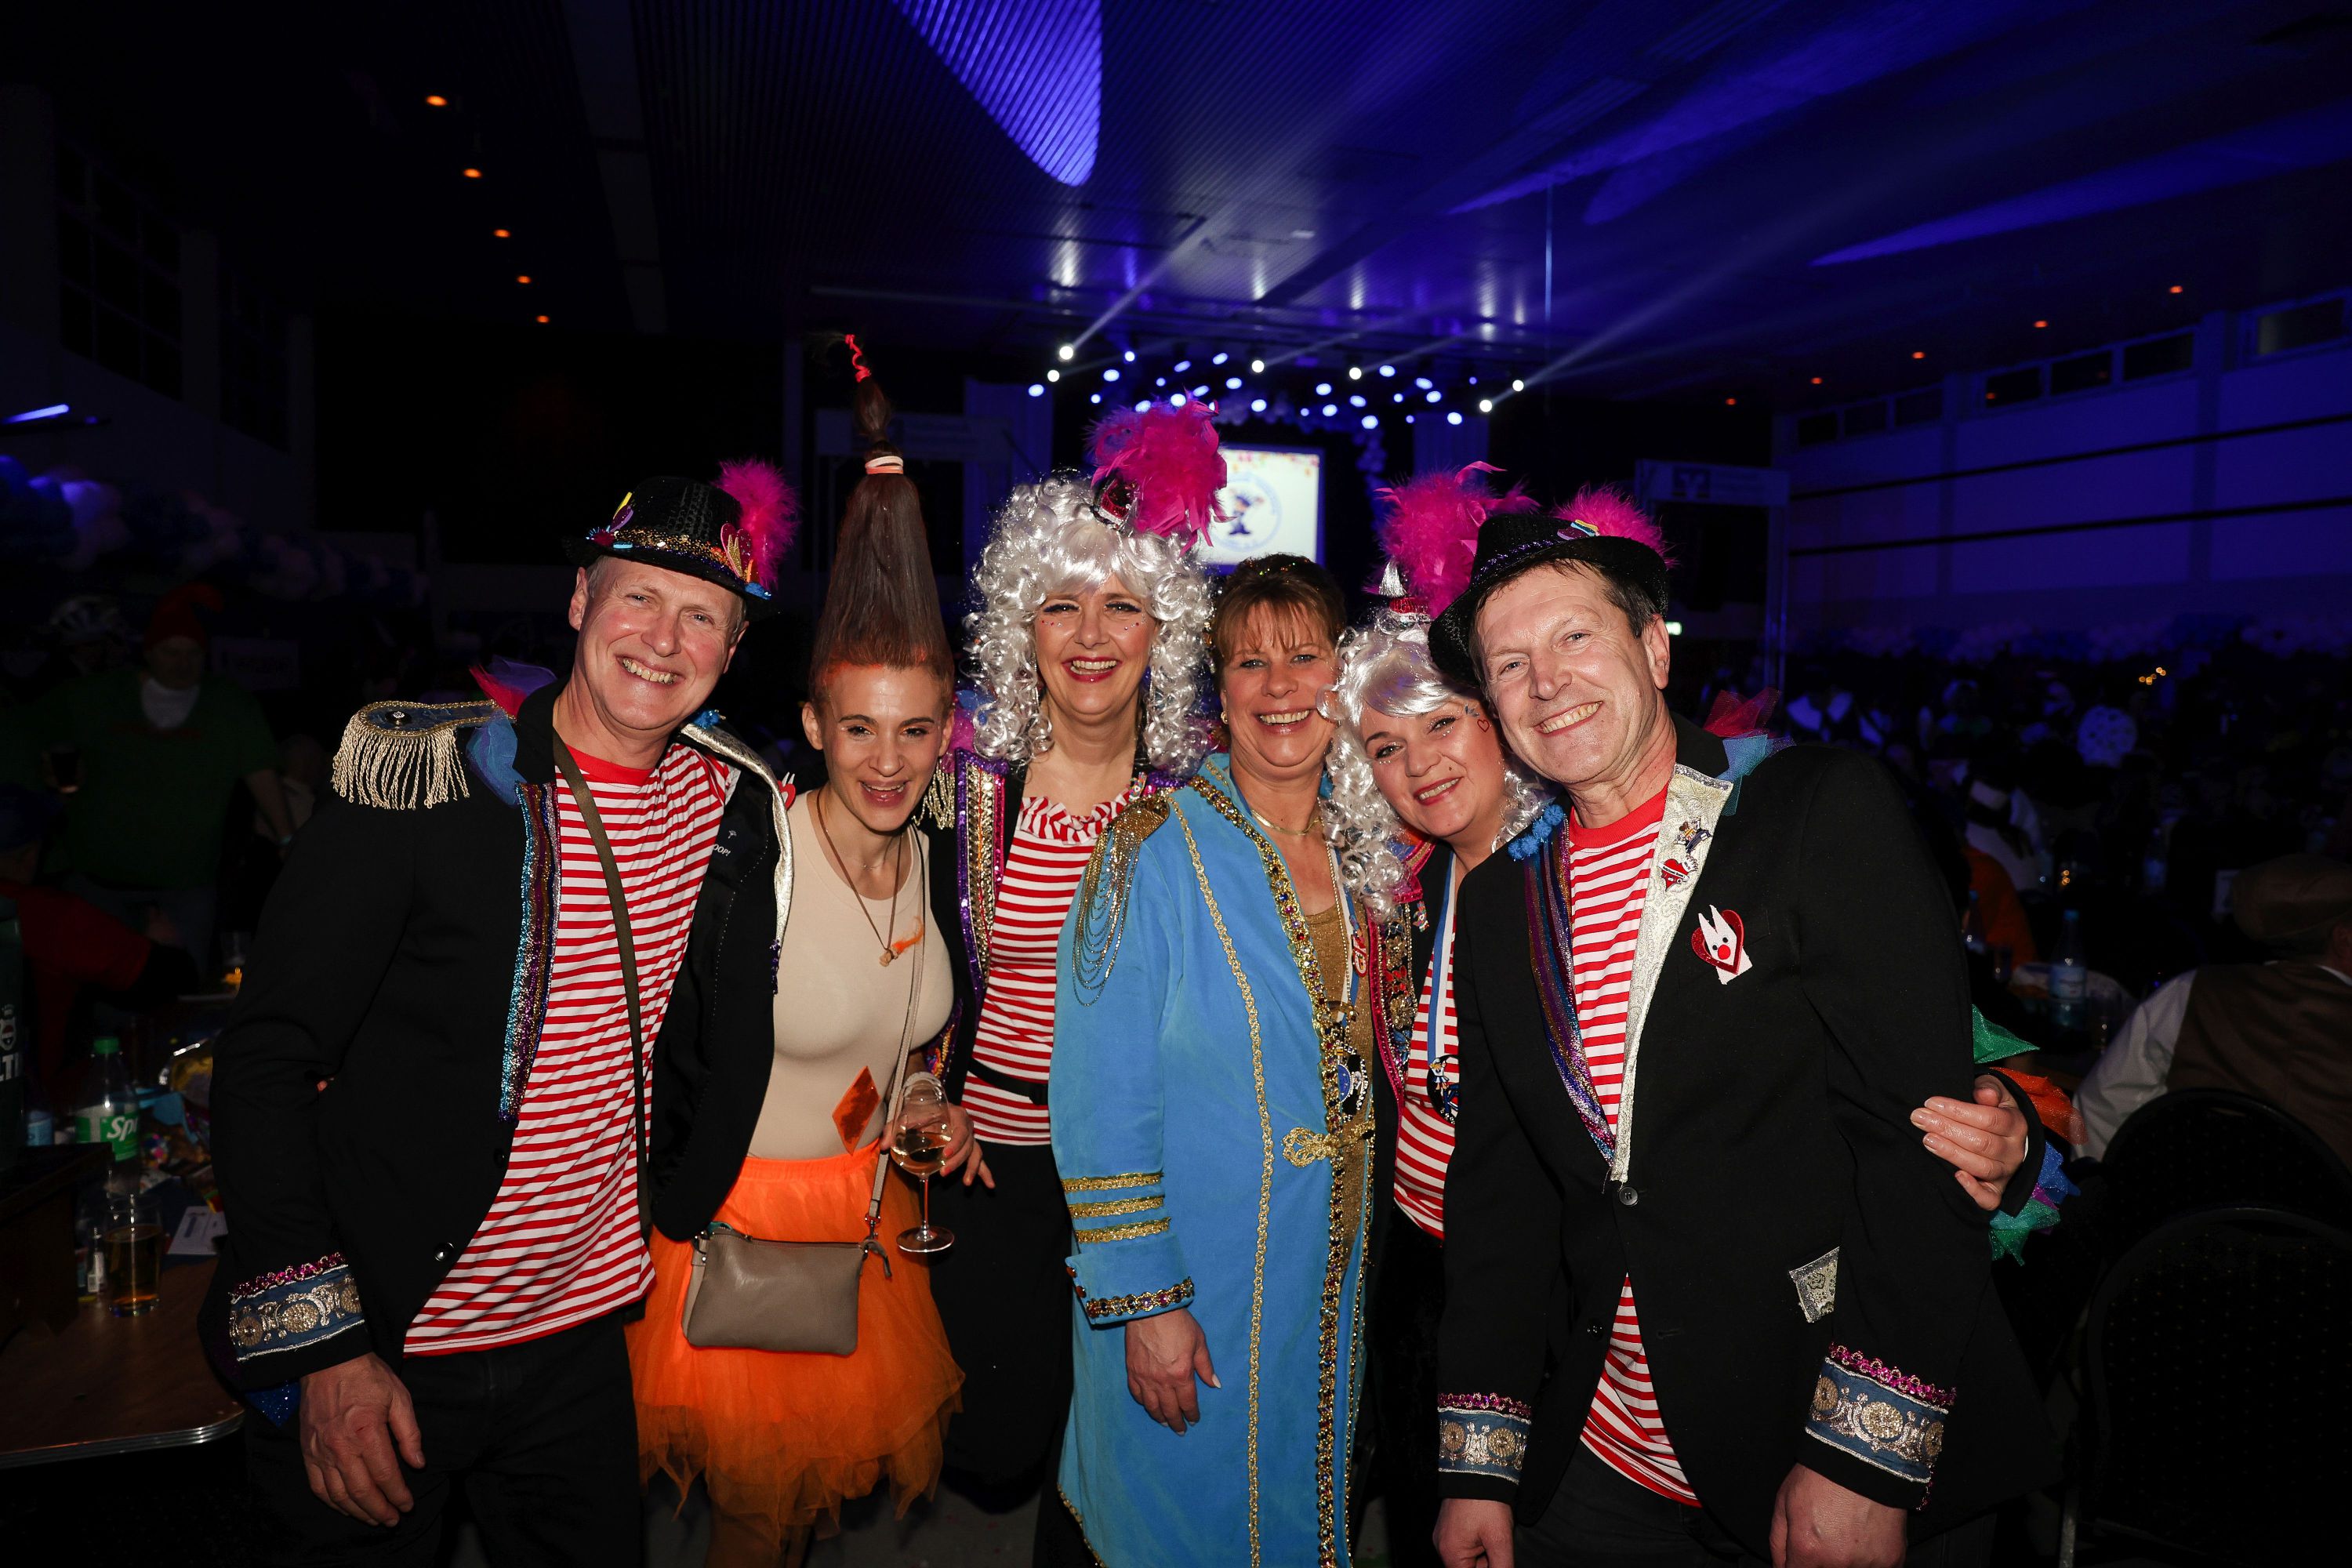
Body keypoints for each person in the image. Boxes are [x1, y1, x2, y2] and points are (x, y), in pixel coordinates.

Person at [1319, 471, 2042, 1568]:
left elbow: (1925, 1145)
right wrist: (1478, 1468)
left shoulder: (1810, 812)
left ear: (1655, 650)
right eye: (1509, 664)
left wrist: (1863, 1459)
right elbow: (1505, 1200)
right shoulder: (1508, 900)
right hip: (1602, 1457)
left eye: (1575, 637)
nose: (1546, 681)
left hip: (1818, 1428)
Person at [206, 464, 797, 1566]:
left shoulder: (731, 806)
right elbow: (267, 1060)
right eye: (638, 596)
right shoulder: (432, 776)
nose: (663, 639)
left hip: (581, 1340)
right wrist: (322, 1349)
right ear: (578, 600)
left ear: (732, 650)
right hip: (389, 1332)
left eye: (702, 616)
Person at [627, 370, 971, 1566]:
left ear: (947, 733)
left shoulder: (941, 859)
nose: (888, 761)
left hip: (868, 1217)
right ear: (815, 726)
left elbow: (905, 1034)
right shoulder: (752, 851)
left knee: (809, 1510)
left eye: (916, 730)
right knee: (758, 1516)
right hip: (742, 1223)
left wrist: (925, 1099)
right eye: (858, 728)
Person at [1051, 553, 1408, 1566]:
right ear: (1220, 690)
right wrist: (1146, 1301)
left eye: (1306, 657)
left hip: (1332, 1291)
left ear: (1345, 674)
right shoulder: (1149, 849)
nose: (1280, 686)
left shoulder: (1379, 849)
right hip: (1195, 1294)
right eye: (1251, 663)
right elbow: (1098, 1097)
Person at [923, 402, 1219, 1536]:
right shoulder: (961, 791)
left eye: (1122, 606)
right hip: (993, 1167)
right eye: (1061, 605)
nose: (1091, 634)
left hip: (1152, 1175)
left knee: (1142, 1450)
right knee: (997, 1448)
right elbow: (892, 958)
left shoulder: (1200, 801)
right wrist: (920, 1086)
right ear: (1023, 625)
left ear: (1162, 631)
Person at [34, 583, 296, 975]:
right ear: (149, 652)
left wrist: (288, 839)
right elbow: (38, 745)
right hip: (97, 885)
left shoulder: (228, 704)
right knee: (99, 991)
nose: (182, 663)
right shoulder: (95, 696)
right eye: (171, 652)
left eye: (192, 653)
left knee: (181, 987)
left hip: (186, 887)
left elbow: (260, 771)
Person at [2075, 852, 2352, 1163]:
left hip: (2185, 1192)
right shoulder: (2190, 992)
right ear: (2344, 940)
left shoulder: (2191, 992)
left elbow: (2103, 1105)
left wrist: (2108, 1185)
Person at [0, 782, 200, 1101]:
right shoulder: (44, 915)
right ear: (30, 853)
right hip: (31, 1110)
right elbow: (167, 977)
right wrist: (161, 945)